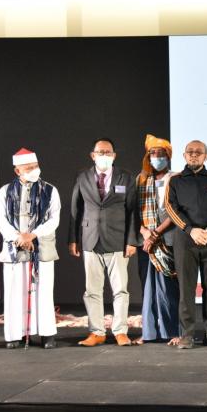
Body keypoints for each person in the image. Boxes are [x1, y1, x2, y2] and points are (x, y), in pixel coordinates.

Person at [68, 138, 138, 347]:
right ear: (93, 155)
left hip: (118, 240)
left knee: (120, 290)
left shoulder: (126, 177)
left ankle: (120, 331)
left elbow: (133, 211)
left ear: (114, 155)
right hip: (90, 239)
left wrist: (132, 240)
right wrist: (73, 239)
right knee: (92, 291)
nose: (104, 155)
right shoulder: (82, 177)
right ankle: (96, 332)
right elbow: (75, 210)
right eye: (100, 152)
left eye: (108, 152)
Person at [165, 140, 207, 349]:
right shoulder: (175, 181)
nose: (194, 155)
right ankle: (187, 334)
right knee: (186, 289)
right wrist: (190, 230)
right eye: (190, 152)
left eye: (198, 152)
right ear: (184, 155)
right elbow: (171, 207)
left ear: (206, 157)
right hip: (185, 241)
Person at [0, 148, 61, 349]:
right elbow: (1, 220)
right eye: (28, 168)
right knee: (15, 293)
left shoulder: (50, 190)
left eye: (36, 166)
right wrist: (19, 237)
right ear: (18, 171)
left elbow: (54, 219)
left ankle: (47, 334)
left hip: (42, 248)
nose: (34, 170)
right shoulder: (5, 191)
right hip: (15, 249)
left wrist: (32, 235)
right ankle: (15, 334)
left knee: (44, 292)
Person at [133, 134, 181, 345]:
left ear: (168, 157)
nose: (157, 157)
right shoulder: (141, 179)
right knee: (148, 289)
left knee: (169, 289)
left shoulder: (176, 178)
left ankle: (173, 332)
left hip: (168, 240)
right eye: (153, 154)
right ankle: (149, 332)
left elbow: (176, 211)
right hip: (146, 242)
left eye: (161, 154)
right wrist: (144, 232)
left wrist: (155, 234)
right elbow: (133, 210)